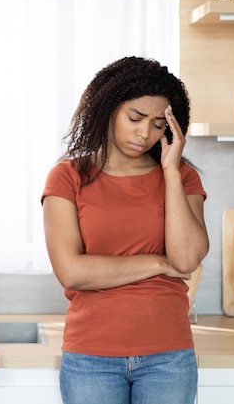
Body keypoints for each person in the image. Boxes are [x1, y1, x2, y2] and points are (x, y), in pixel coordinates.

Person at [41, 56, 209, 404]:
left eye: (158, 124)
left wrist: (171, 172)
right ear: (108, 110)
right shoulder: (68, 176)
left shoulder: (182, 177)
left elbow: (187, 257)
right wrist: (160, 264)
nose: (144, 133)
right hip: (91, 356)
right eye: (134, 118)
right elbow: (72, 271)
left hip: (169, 354)